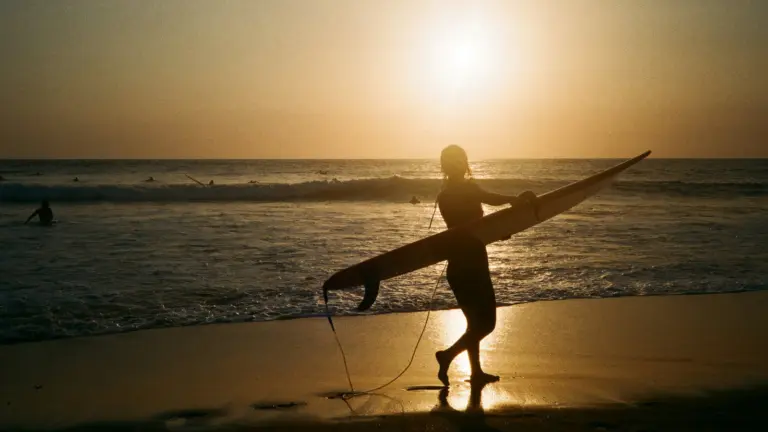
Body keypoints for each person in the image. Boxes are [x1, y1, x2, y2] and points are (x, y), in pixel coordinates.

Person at [435, 145, 536, 386]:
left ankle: (476, 372)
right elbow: (490, 200)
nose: (461, 164)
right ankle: (447, 355)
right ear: (457, 164)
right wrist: (516, 200)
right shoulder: (466, 189)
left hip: (457, 266)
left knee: (474, 324)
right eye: (458, 160)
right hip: (472, 264)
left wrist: (496, 232)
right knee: (487, 324)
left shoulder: (444, 195)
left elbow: (465, 229)